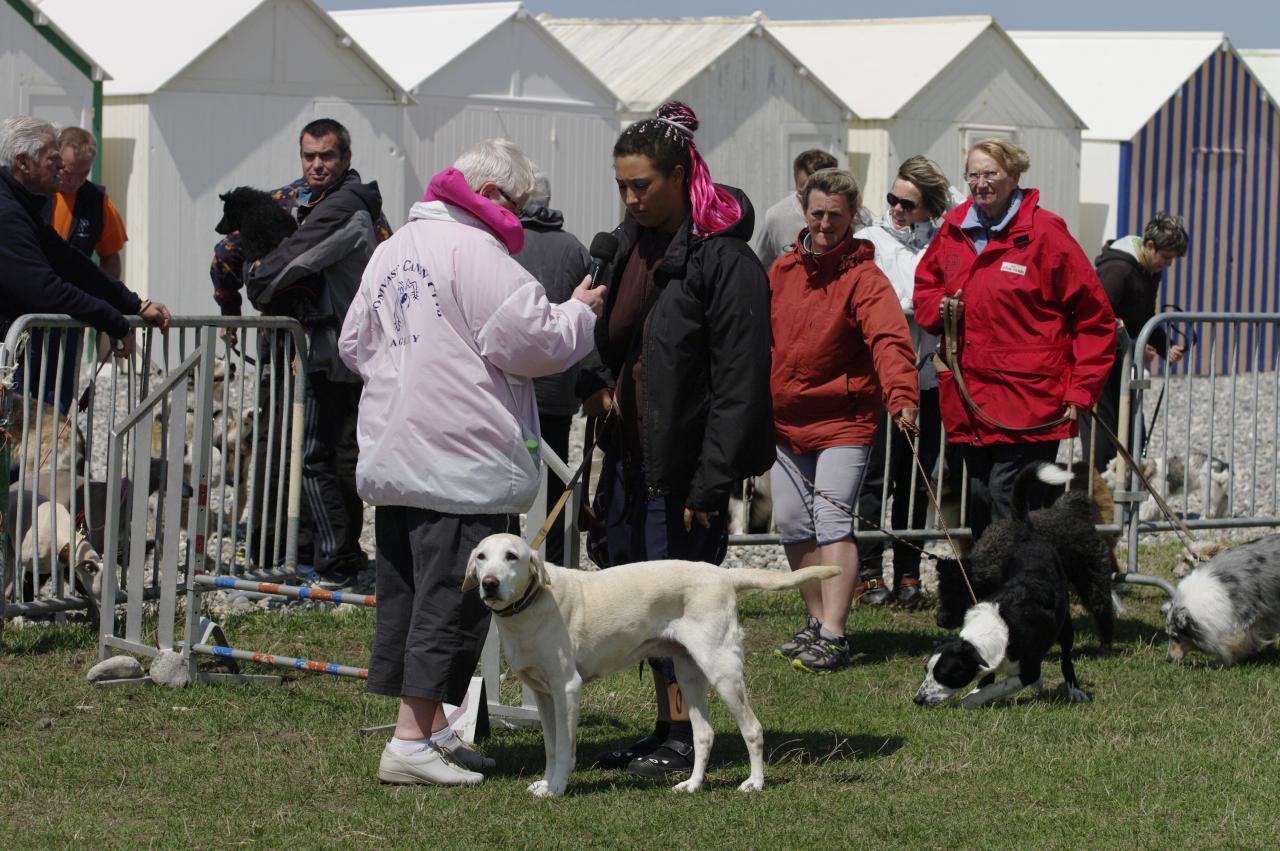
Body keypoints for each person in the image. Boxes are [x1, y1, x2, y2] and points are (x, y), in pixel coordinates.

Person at [339, 139, 603, 786]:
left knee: (404, 594)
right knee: (448, 606)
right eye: (519, 203)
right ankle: (410, 739)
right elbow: (529, 340)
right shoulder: (477, 252)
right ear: (490, 197)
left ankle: (429, 729)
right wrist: (579, 314)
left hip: (397, 450)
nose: (522, 215)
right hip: (460, 456)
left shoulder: (393, 249)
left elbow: (354, 343)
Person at [578, 101, 775, 775]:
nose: (631, 198)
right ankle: (666, 729)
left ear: (680, 174)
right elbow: (606, 341)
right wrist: (594, 384)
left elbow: (740, 385)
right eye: (622, 186)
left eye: (643, 185)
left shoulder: (727, 261)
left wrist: (711, 481)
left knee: (682, 614)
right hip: (632, 460)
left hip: (686, 469)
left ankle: (691, 737)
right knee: (642, 609)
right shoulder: (627, 248)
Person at [208, 128, 393, 575]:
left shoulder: (351, 207)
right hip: (294, 349)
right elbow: (226, 252)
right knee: (282, 450)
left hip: (332, 352)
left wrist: (255, 285)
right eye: (309, 156)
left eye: (326, 156)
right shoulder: (283, 201)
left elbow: (386, 262)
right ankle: (282, 549)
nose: (317, 165)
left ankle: (331, 553)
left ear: (346, 157)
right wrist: (230, 308)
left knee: (330, 454)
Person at [913, 138, 1116, 544]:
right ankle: (996, 597)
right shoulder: (954, 230)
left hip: (1031, 403)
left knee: (1013, 502)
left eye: (991, 174)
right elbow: (925, 290)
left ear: (1015, 176)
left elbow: (1096, 318)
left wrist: (1080, 392)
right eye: (973, 174)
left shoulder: (1045, 233)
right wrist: (943, 308)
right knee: (983, 500)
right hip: (972, 401)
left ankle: (1023, 596)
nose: (981, 183)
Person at [768, 167, 919, 673]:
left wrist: (901, 396)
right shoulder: (783, 272)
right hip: (787, 423)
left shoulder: (865, 278)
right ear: (802, 210)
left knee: (833, 521)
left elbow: (889, 341)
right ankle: (817, 623)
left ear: (853, 216)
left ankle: (835, 633)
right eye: (817, 213)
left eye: (836, 215)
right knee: (791, 522)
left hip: (844, 422)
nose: (825, 223)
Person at [852, 156, 953, 609]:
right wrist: (914, 305)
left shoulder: (942, 243)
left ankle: (909, 573)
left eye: (907, 204)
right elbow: (867, 299)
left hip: (925, 380)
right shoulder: (867, 241)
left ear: (928, 207)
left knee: (916, 480)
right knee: (874, 480)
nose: (895, 209)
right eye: (892, 199)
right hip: (877, 382)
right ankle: (870, 574)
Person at [1, 116, 169, 372]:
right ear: (23, 162)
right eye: (53, 160)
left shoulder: (25, 205)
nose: (61, 168)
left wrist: (132, 304)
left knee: (51, 408)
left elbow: (72, 262)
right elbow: (42, 287)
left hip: (35, 334)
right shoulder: (7, 212)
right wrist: (110, 318)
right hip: (19, 339)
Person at [513, 167, 592, 566]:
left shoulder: (501, 245)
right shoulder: (575, 248)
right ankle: (553, 563)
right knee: (555, 476)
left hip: (512, 390)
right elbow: (592, 316)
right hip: (557, 392)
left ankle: (507, 554)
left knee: (508, 477)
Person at [1079, 213, 1189, 471]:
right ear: (1150, 246)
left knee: (1129, 435)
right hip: (1097, 366)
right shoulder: (1117, 271)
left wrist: (1165, 347)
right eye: (1167, 258)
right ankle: (1095, 502)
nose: (1168, 265)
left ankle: (1121, 506)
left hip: (1119, 362)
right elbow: (1096, 319)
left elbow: (1144, 316)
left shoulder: (1149, 270)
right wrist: (1127, 345)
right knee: (1101, 441)